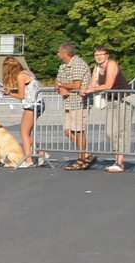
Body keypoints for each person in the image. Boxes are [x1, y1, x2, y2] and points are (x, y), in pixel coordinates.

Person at [82, 46, 130, 172]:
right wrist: (85, 89)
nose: (99, 57)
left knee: (120, 131)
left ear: (107, 55)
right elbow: (93, 83)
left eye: (101, 54)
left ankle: (120, 163)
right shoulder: (97, 68)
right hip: (111, 100)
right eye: (96, 54)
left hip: (124, 99)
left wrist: (92, 89)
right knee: (110, 132)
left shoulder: (111, 64)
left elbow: (108, 85)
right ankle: (117, 161)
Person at [53, 42, 92, 170]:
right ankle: (86, 154)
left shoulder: (78, 64)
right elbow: (57, 82)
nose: (57, 54)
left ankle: (81, 159)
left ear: (65, 53)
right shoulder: (63, 66)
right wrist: (60, 87)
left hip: (79, 102)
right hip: (68, 102)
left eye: (59, 52)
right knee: (68, 131)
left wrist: (61, 85)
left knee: (78, 131)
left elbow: (76, 85)